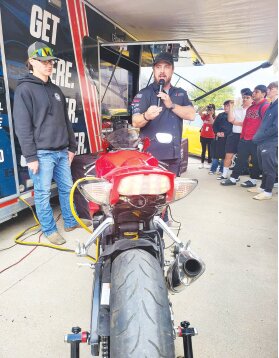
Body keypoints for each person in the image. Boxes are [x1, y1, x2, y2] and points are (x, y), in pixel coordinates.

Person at [13, 41, 91, 245]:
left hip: (61, 152)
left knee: (67, 189)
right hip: (41, 154)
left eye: (51, 61)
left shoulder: (55, 89)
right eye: (44, 61)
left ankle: (70, 221)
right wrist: (31, 156)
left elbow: (66, 121)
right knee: (42, 194)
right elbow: (22, 126)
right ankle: (49, 230)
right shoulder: (24, 90)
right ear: (32, 62)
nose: (49, 65)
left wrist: (72, 147)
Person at [131, 52, 195, 176]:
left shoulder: (180, 93)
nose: (162, 71)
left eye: (166, 67)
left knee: (171, 194)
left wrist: (172, 105)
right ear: (153, 70)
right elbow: (135, 122)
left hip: (174, 156)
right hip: (151, 156)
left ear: (172, 70)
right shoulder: (144, 93)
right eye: (158, 67)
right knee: (151, 193)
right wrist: (146, 116)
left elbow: (191, 115)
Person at [221, 85, 270, 187]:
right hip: (244, 138)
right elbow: (246, 123)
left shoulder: (265, 106)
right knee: (240, 160)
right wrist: (242, 136)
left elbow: (267, 124)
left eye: (256, 92)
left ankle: (253, 180)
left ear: (263, 94)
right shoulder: (251, 107)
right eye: (254, 91)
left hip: (256, 139)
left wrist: (260, 138)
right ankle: (234, 178)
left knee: (254, 161)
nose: (254, 93)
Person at [249, 81, 278, 200]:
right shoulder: (271, 105)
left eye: (270, 89)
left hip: (270, 142)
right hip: (262, 142)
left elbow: (276, 127)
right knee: (263, 167)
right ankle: (262, 188)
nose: (268, 91)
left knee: (269, 168)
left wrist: (260, 136)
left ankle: (268, 192)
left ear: (277, 89)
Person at [217, 89, 253, 180]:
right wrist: (231, 108)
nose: (245, 99)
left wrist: (237, 122)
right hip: (234, 134)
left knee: (245, 157)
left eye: (247, 98)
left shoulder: (253, 109)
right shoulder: (236, 109)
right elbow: (231, 120)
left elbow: (248, 123)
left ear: (252, 99)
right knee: (228, 155)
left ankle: (248, 176)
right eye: (243, 97)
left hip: (246, 136)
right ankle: (224, 174)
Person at [209, 100, 233, 175]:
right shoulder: (220, 115)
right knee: (216, 154)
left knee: (225, 156)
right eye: (225, 106)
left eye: (228, 106)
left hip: (228, 138)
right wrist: (217, 133)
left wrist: (225, 134)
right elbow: (214, 126)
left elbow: (234, 128)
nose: (226, 107)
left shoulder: (234, 115)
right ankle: (213, 169)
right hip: (218, 138)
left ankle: (222, 170)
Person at [198, 104, 215, 169]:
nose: (209, 110)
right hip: (203, 135)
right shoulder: (205, 116)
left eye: (211, 109)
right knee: (203, 150)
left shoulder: (215, 117)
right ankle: (202, 163)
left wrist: (211, 114)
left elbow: (212, 123)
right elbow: (199, 112)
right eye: (209, 109)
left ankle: (209, 163)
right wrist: (205, 107)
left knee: (210, 150)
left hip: (211, 137)